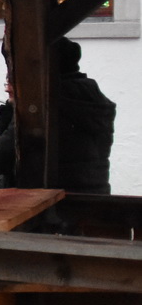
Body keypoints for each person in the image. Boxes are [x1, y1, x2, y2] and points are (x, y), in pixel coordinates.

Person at [50, 38, 116, 194]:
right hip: (95, 190)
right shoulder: (92, 96)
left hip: (62, 197)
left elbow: (1, 155)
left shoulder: (55, 98)